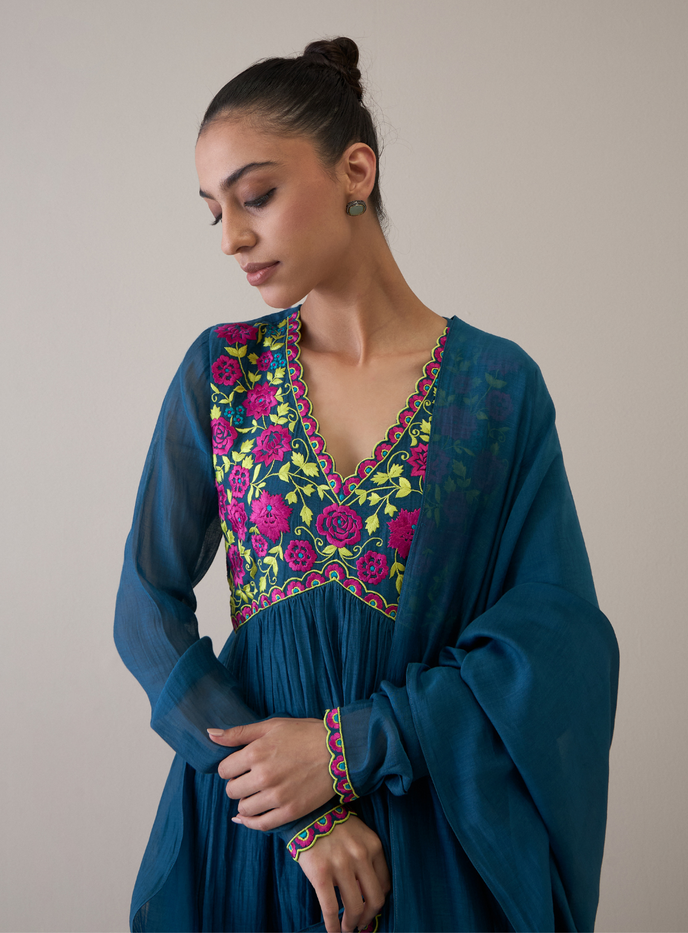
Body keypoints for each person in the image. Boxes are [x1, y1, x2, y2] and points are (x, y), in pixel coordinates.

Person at [114, 36, 619, 933]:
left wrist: (350, 748)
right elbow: (145, 608)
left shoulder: (496, 390)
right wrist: (300, 813)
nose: (232, 238)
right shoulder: (221, 375)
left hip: (434, 834)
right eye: (215, 211)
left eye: (256, 196)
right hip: (260, 839)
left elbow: (554, 641)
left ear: (356, 170)